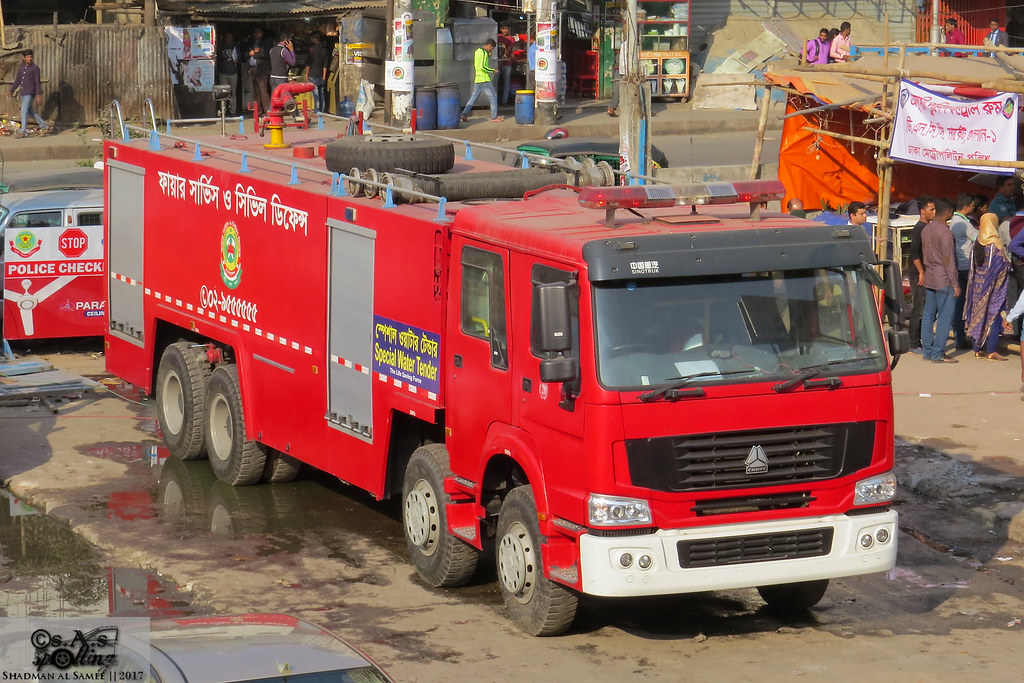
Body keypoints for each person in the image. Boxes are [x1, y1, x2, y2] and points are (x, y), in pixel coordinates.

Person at [964, 213, 1011, 361]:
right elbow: (1000, 268)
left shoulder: (976, 243)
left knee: (978, 317)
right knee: (994, 317)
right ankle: (991, 350)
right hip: (994, 289)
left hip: (977, 289)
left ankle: (977, 349)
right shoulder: (995, 245)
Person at [921, 198, 960, 362]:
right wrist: (955, 283)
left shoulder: (926, 229)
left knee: (928, 316)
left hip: (930, 276)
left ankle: (928, 351)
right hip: (943, 278)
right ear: (948, 212)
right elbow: (947, 260)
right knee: (944, 317)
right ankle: (937, 353)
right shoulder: (945, 232)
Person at [908, 195, 937, 352]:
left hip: (928, 273)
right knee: (919, 309)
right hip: (919, 275)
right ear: (922, 211)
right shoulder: (919, 228)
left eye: (934, 209)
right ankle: (913, 342)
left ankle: (922, 340)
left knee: (926, 309)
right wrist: (921, 272)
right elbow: (914, 253)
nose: (934, 211)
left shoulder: (929, 227)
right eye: (931, 209)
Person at [950, 194, 978, 350]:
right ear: (967, 207)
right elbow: (979, 238)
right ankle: (973, 339)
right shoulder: (963, 223)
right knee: (972, 303)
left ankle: (960, 337)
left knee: (959, 303)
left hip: (958, 265)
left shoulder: (954, 222)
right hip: (967, 266)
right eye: (972, 206)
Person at [6, 49, 48, 137]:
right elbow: (17, 80)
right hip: (23, 92)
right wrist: (11, 90)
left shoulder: (35, 68)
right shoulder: (21, 68)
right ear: (24, 58)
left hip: (30, 93)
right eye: (27, 57)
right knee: (30, 112)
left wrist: (38, 95)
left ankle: (23, 131)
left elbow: (37, 82)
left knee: (23, 111)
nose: (29, 59)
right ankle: (44, 126)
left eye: (31, 57)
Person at [461, 39, 502, 123]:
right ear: (489, 46)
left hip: (478, 78)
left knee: (474, 97)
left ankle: (464, 113)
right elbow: (483, 67)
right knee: (493, 96)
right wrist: (493, 70)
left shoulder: (478, 51)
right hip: (484, 79)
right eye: (492, 48)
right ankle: (494, 117)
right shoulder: (483, 52)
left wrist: (488, 55)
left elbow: (478, 64)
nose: (491, 50)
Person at [247, 27, 273, 116]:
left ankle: (267, 111)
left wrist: (256, 53)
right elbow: (245, 54)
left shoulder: (266, 42)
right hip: (252, 69)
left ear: (262, 33)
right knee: (255, 92)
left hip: (262, 70)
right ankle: (258, 112)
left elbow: (267, 54)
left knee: (263, 91)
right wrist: (250, 53)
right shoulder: (251, 42)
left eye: (259, 32)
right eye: (255, 32)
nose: (257, 34)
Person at [216, 32, 239, 115]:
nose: (229, 38)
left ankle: (233, 111)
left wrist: (235, 60)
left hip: (233, 72)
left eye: (230, 37)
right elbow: (216, 58)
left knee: (233, 93)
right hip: (223, 73)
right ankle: (223, 111)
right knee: (223, 93)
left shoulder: (235, 47)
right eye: (228, 37)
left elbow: (239, 58)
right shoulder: (221, 47)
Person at [305, 33, 328, 113]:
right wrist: (324, 76)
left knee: (315, 94)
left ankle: (317, 111)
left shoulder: (312, 49)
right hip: (321, 75)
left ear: (315, 39)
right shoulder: (324, 50)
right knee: (321, 93)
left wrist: (306, 73)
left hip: (313, 74)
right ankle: (322, 110)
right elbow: (325, 65)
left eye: (312, 38)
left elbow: (309, 63)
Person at [497, 24, 516, 106]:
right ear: (500, 29)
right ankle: (495, 100)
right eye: (503, 29)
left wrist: (505, 56)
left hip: (507, 62)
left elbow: (509, 48)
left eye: (506, 29)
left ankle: (504, 101)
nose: (504, 30)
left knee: (506, 82)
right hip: (498, 62)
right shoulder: (497, 36)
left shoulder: (511, 38)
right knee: (495, 81)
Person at [608, 43, 626, 117]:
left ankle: (612, 108)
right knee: (618, 90)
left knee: (617, 90)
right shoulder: (624, 47)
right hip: (620, 71)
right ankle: (612, 108)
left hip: (617, 70)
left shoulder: (620, 49)